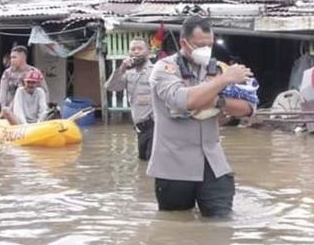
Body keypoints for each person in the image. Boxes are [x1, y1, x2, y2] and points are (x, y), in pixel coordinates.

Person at [148, 15, 255, 218]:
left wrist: (218, 102)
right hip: (174, 165)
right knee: (176, 227)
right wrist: (222, 82)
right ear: (184, 43)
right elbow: (183, 100)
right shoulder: (165, 69)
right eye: (200, 45)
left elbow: (249, 107)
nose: (206, 49)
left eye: (210, 44)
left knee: (222, 225)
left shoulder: (220, 69)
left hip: (213, 163)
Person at [105, 38, 154, 160]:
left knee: (151, 161)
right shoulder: (128, 73)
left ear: (148, 52)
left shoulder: (155, 71)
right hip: (139, 126)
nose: (136, 52)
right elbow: (111, 87)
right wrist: (121, 68)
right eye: (133, 49)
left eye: (140, 49)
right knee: (142, 160)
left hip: (154, 125)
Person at [0, 45, 49, 109]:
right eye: (11, 58)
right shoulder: (7, 73)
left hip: (31, 107)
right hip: (11, 108)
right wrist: (3, 108)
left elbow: (45, 91)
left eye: (14, 57)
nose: (11, 60)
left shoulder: (34, 72)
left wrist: (44, 108)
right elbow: (3, 91)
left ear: (23, 58)